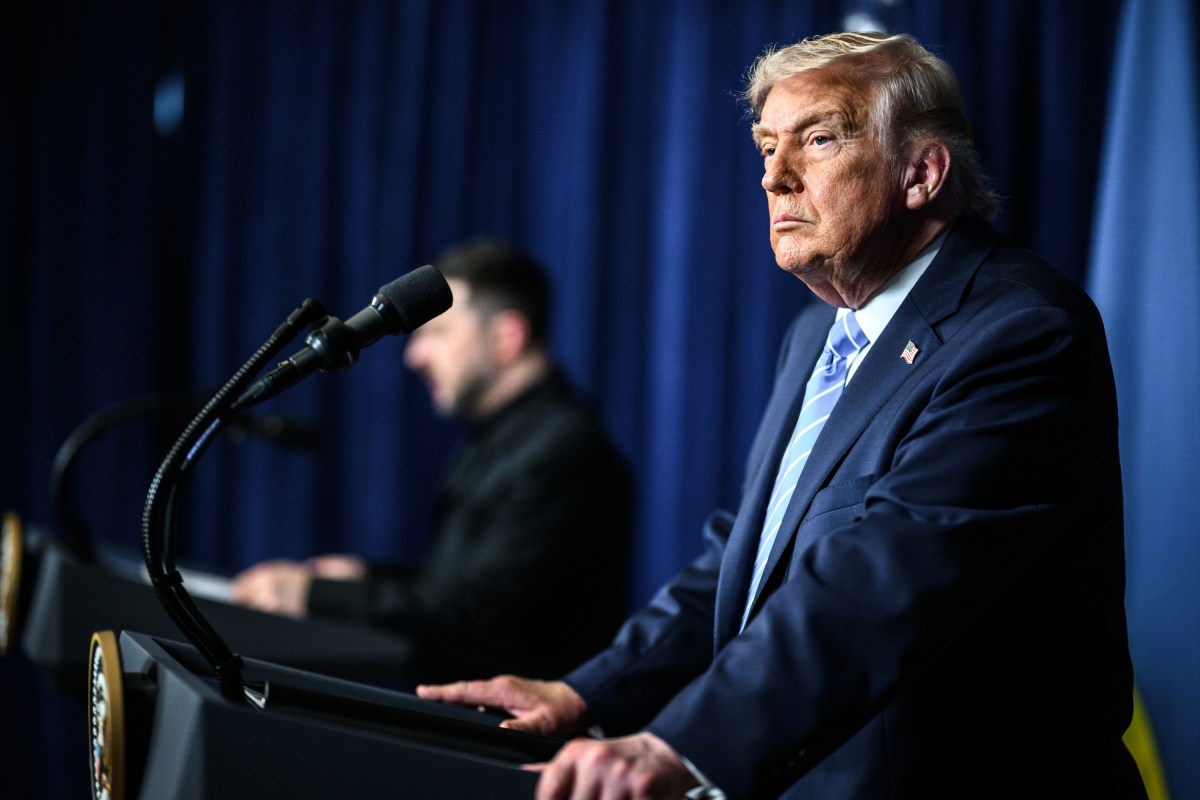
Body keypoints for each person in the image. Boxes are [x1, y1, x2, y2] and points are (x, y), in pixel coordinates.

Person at [416, 32, 1147, 799]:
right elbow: (754, 558)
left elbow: (881, 582)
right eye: (766, 146)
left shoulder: (1020, 331)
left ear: (922, 173)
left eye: (818, 139)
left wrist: (679, 746)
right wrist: (587, 694)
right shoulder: (816, 336)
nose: (774, 176)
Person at [230, 239, 633, 683]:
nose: (414, 356)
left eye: (437, 333)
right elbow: (463, 581)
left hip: (507, 737)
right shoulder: (504, 436)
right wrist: (364, 577)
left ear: (506, 337)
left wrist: (317, 595)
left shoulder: (566, 450)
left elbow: (482, 614)